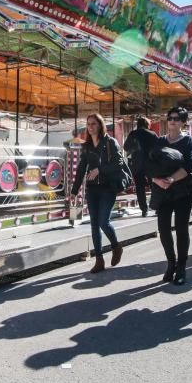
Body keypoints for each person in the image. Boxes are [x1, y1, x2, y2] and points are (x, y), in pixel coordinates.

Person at [70, 113, 126, 273]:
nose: (90, 127)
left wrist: (99, 170)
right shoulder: (86, 146)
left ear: (100, 125)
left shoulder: (110, 142)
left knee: (103, 222)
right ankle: (99, 260)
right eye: (88, 124)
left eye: (93, 124)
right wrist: (74, 191)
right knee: (94, 225)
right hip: (92, 189)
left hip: (108, 188)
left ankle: (116, 246)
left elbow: (119, 164)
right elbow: (81, 169)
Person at [152, 106, 192, 285]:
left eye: (177, 118)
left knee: (181, 229)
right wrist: (157, 180)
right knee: (163, 229)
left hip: (183, 191)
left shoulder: (187, 141)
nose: (172, 121)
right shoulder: (160, 141)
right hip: (162, 192)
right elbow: (149, 164)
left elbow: (190, 165)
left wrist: (171, 179)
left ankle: (181, 268)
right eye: (170, 117)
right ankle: (171, 263)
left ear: (183, 122)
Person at [123, 116, 160, 218]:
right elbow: (159, 148)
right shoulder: (152, 134)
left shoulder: (133, 134)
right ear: (146, 124)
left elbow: (126, 147)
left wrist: (134, 149)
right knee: (154, 186)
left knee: (140, 188)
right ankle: (157, 207)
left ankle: (144, 210)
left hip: (137, 165)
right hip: (151, 164)